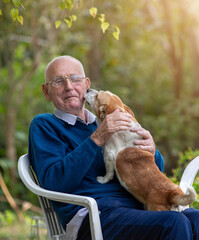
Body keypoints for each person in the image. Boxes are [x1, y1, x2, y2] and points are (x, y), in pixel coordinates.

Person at [29, 55, 199, 240]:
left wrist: (151, 151)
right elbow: (53, 182)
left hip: (137, 206)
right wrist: (97, 138)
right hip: (95, 216)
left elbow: (151, 170)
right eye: (59, 81)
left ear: (86, 84)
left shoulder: (107, 120)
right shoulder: (45, 125)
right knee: (174, 222)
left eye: (75, 79)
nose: (69, 86)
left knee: (196, 219)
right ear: (47, 92)